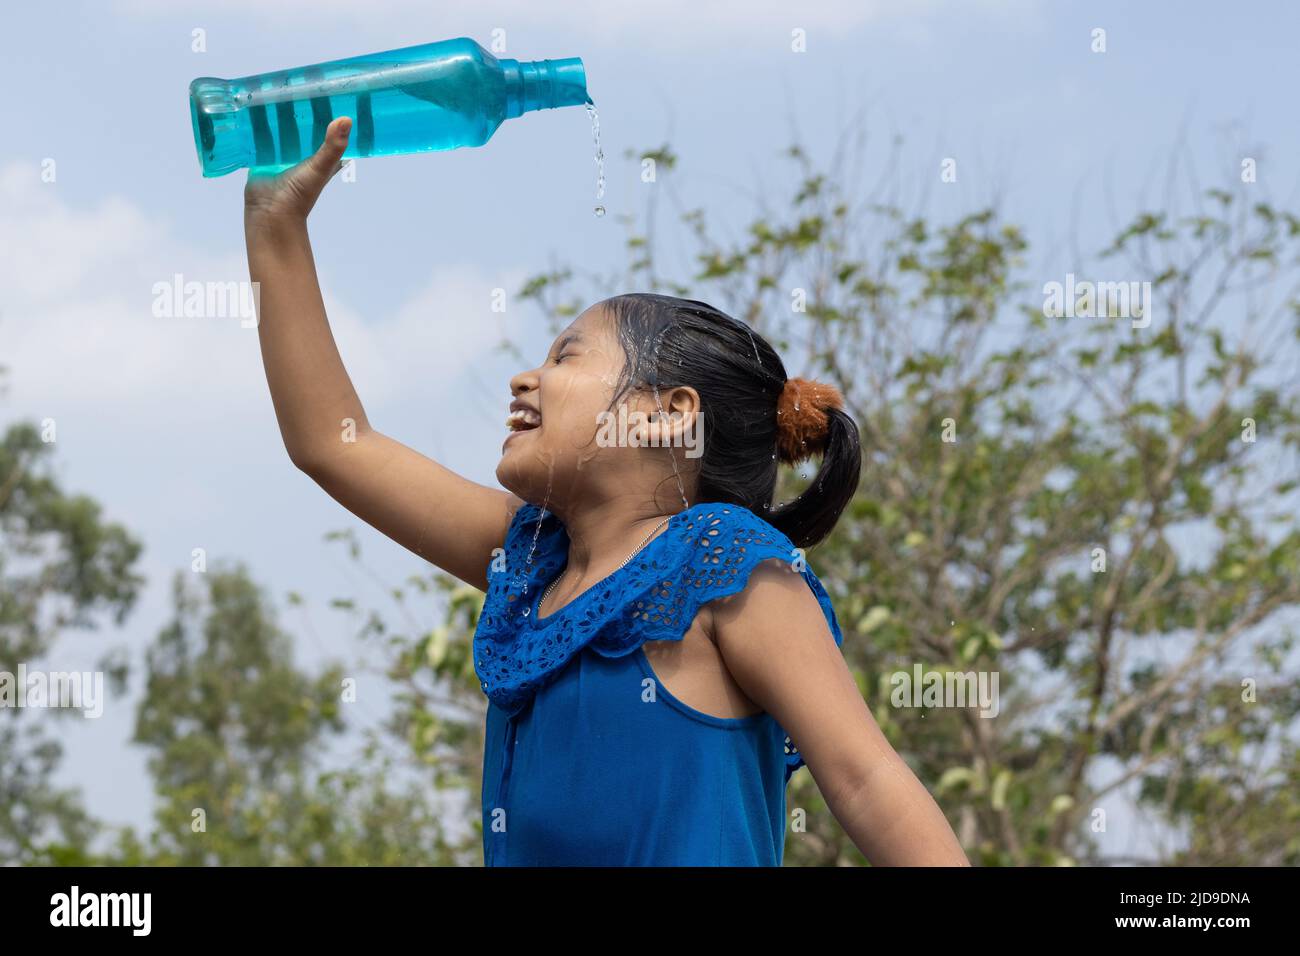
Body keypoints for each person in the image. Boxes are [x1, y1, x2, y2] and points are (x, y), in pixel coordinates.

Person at [243, 115, 970, 867]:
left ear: (666, 414)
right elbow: (333, 444)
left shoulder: (729, 564)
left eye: (565, 356)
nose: (525, 377)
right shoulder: (527, 559)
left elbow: (866, 778)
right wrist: (275, 225)